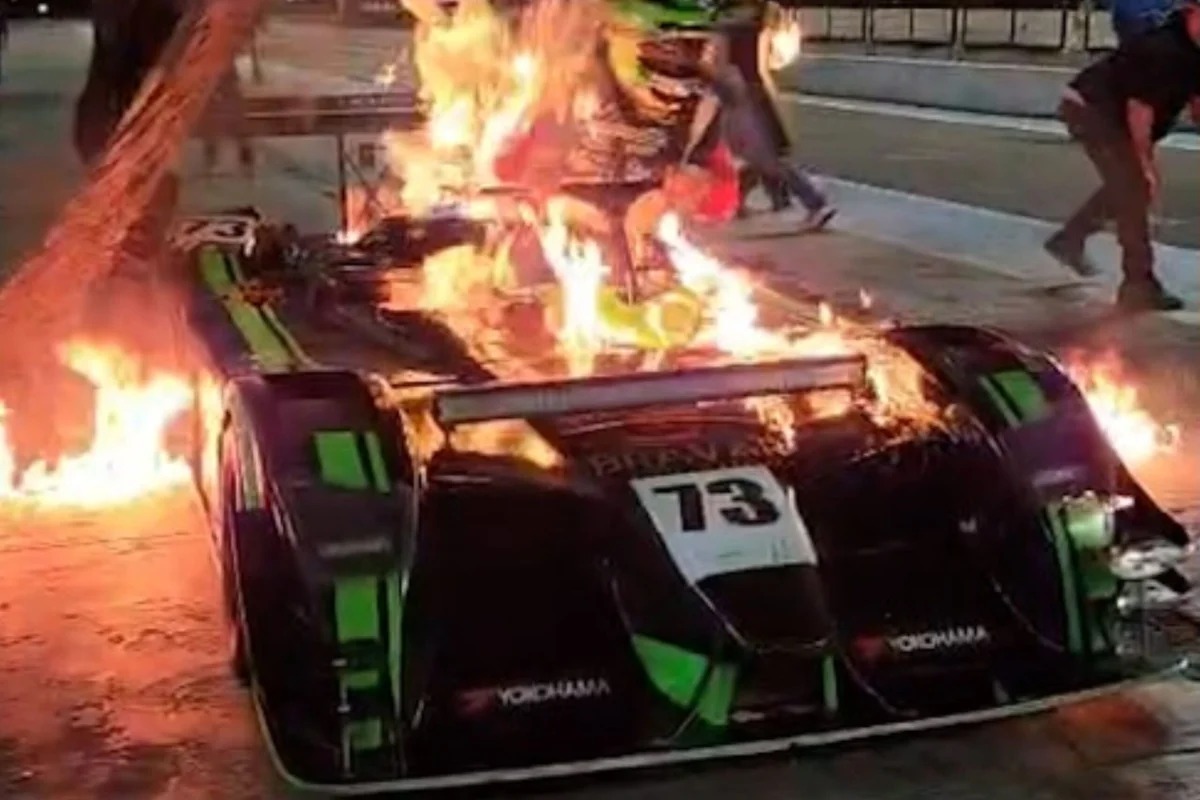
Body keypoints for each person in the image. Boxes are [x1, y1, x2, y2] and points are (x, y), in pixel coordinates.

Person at [1043, 1, 1200, 311]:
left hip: (1111, 113)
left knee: (1125, 185)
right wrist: (1145, 165)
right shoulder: (1164, 49)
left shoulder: (1194, 54)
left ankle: (1070, 239)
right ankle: (1138, 286)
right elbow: (1138, 112)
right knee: (1134, 188)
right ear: (1192, 11)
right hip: (1090, 108)